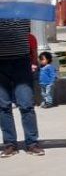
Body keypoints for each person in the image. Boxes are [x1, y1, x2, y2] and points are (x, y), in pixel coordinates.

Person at [0, 18, 42, 157]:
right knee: (3, 106)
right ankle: (10, 144)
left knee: (26, 104)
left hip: (21, 61)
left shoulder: (22, 7)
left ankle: (32, 143)